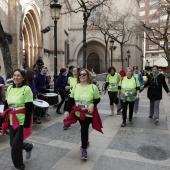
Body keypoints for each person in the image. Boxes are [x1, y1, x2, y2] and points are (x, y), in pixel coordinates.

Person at [0, 69, 34, 170]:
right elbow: (7, 105)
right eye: (14, 75)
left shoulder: (26, 89)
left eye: (18, 75)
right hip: (12, 120)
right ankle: (28, 146)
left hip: (22, 121)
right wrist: (2, 118)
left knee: (15, 146)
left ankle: (19, 166)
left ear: (23, 77)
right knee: (13, 144)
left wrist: (27, 124)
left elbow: (29, 108)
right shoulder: (10, 88)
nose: (16, 77)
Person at [64, 69, 101, 160]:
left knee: (84, 129)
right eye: (80, 75)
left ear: (88, 76)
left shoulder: (93, 87)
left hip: (88, 113)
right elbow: (71, 100)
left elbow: (97, 99)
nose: (82, 76)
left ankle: (84, 149)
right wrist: (67, 111)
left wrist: (93, 104)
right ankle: (86, 141)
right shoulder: (76, 86)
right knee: (84, 128)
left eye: (84, 75)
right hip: (77, 112)